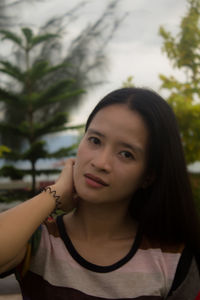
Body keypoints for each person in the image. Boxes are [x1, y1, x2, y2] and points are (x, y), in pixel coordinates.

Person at [0, 87, 200, 300]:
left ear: (148, 176)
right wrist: (55, 193)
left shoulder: (172, 259)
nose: (101, 162)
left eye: (126, 154)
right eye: (95, 140)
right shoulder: (41, 240)